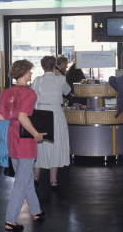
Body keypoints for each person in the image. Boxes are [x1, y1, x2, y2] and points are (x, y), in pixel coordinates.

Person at [0, 60, 45, 232]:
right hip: (25, 142)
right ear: (24, 73)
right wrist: (36, 134)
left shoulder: (6, 92)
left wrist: (14, 119)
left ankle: (36, 210)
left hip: (11, 140)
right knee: (21, 183)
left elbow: (0, 117)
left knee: (25, 178)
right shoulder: (30, 94)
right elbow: (23, 117)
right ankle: (10, 221)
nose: (31, 74)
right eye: (30, 71)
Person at [32, 56, 71, 189]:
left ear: (42, 66)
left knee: (40, 143)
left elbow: (32, 95)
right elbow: (67, 91)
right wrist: (60, 74)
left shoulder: (38, 80)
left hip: (41, 112)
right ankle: (53, 179)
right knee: (56, 143)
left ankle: (35, 176)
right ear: (55, 65)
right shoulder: (61, 79)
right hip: (56, 112)